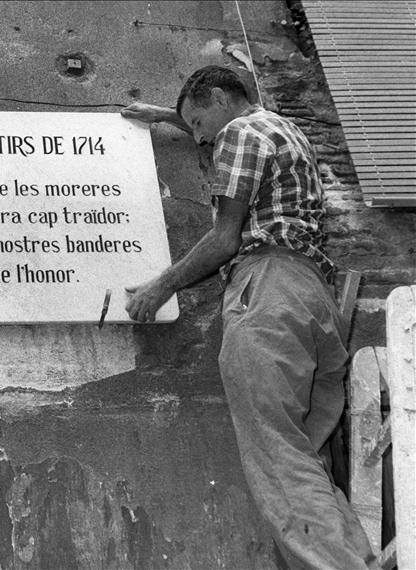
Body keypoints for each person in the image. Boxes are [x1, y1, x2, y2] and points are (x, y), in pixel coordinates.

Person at [121, 66, 377, 569]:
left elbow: (225, 238)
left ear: (218, 97)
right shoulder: (283, 128)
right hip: (314, 304)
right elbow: (221, 135)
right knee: (306, 458)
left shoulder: (238, 133)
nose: (198, 136)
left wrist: (159, 288)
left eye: (198, 122)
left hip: (268, 294)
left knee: (276, 457)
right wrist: (166, 116)